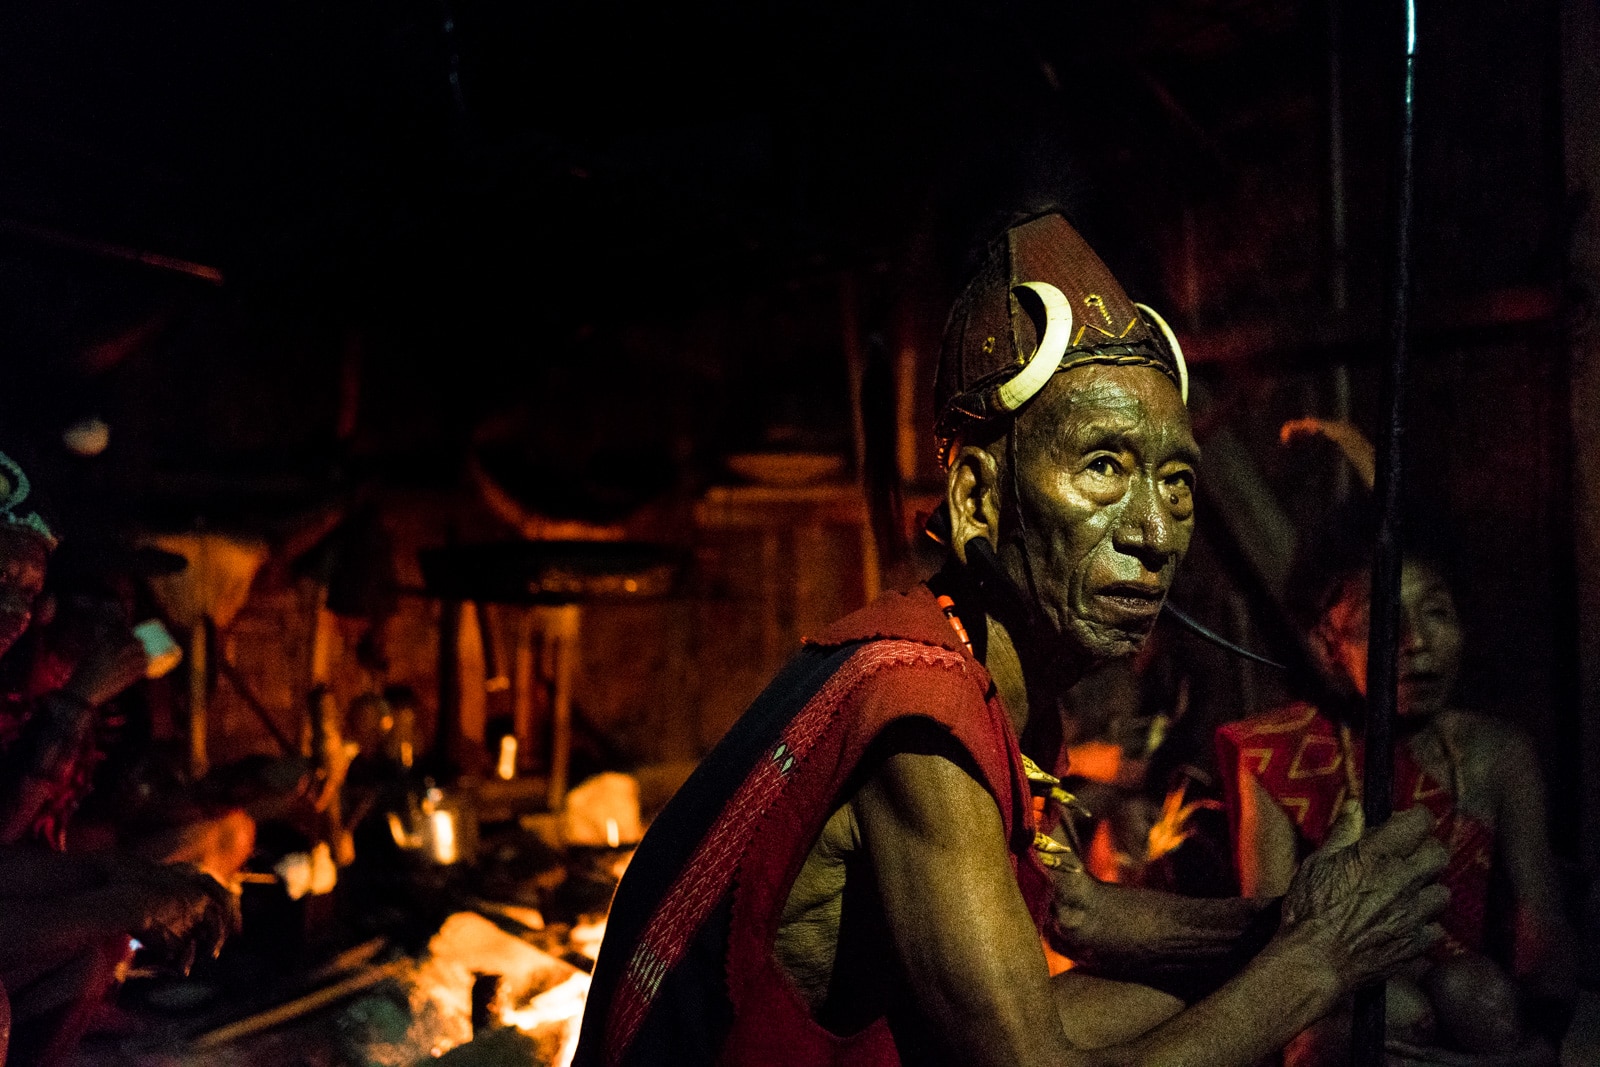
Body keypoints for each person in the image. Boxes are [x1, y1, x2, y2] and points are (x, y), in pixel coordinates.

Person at [574, 212, 1451, 1067]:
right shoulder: (922, 714)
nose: (1154, 527)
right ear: (976, 503)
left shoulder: (994, 678)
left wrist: (1306, 915)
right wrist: (1323, 953)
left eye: (1176, 479)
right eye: (1103, 465)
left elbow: (1073, 909)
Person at [1216, 425, 1576, 1066]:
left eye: (1437, 612)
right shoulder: (1276, 757)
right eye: (1385, 622)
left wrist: (1534, 1040)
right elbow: (1266, 949)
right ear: (1331, 646)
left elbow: (1543, 935)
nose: (1417, 643)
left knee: (1480, 994)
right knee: (1387, 1011)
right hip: (1334, 1009)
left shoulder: (1497, 756)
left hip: (1471, 1013)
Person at [0, 449, 236, 1067]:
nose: (13, 611)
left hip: (34, 869)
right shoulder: (29, 685)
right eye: (101, 602)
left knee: (112, 930)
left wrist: (132, 885)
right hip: (27, 876)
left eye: (25, 591)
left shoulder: (103, 691)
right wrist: (75, 703)